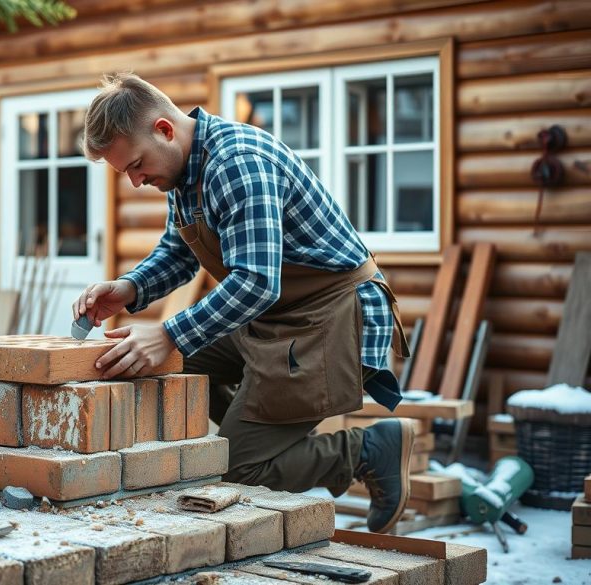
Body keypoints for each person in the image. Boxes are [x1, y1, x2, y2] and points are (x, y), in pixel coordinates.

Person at [72, 72, 413, 533]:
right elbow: (178, 252)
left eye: (135, 165)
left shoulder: (236, 163)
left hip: (327, 319)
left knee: (237, 472)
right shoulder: (184, 172)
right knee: (165, 364)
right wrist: (129, 288)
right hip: (274, 318)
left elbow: (255, 282)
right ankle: (264, 415)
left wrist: (169, 332)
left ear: (165, 130)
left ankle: (368, 450)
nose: (134, 181)